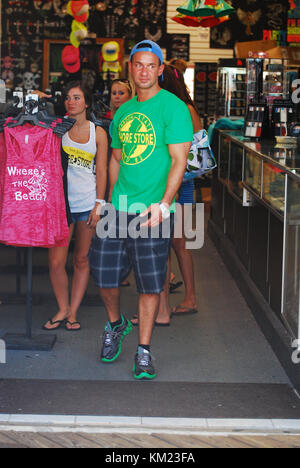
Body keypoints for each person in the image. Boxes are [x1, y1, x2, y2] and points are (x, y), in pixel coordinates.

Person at [89, 40, 193, 380]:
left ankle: (144, 350)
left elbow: (179, 161)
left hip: (154, 211)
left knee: (150, 285)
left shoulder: (173, 108)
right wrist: (105, 201)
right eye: (138, 65)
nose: (144, 71)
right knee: (104, 276)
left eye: (151, 65)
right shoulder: (122, 111)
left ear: (160, 69)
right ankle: (116, 324)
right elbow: (118, 159)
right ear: (130, 69)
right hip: (118, 207)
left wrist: (165, 205)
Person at [42, 81, 108, 331]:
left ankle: (73, 312)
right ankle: (62, 308)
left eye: (77, 98)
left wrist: (99, 205)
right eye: (68, 98)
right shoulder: (57, 130)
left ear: (87, 102)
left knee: (81, 259)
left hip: (87, 203)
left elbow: (101, 172)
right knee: (56, 262)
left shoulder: (98, 132)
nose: (71, 102)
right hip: (60, 205)